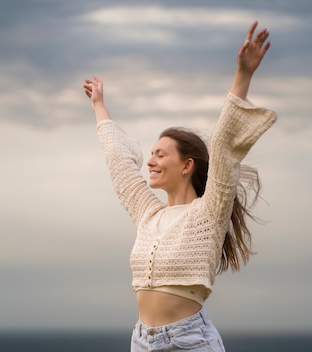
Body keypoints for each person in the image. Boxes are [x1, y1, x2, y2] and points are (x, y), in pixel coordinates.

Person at [83, 21, 277, 351]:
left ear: (187, 166)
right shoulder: (149, 214)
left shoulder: (209, 211)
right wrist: (100, 107)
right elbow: (120, 166)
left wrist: (242, 76)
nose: (150, 161)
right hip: (142, 341)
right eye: (151, 154)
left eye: (160, 154)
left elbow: (224, 146)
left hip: (190, 341)